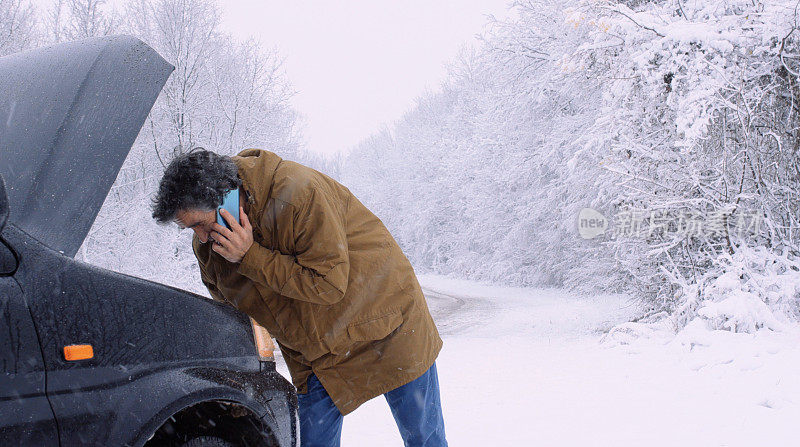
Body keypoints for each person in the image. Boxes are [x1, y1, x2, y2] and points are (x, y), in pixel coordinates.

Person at [151, 147, 447, 447]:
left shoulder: (298, 194)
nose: (201, 236)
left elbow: (329, 284)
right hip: (316, 355)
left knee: (425, 438)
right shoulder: (209, 247)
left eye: (201, 224)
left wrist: (250, 257)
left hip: (387, 326)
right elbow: (234, 321)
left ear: (225, 195)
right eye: (191, 229)